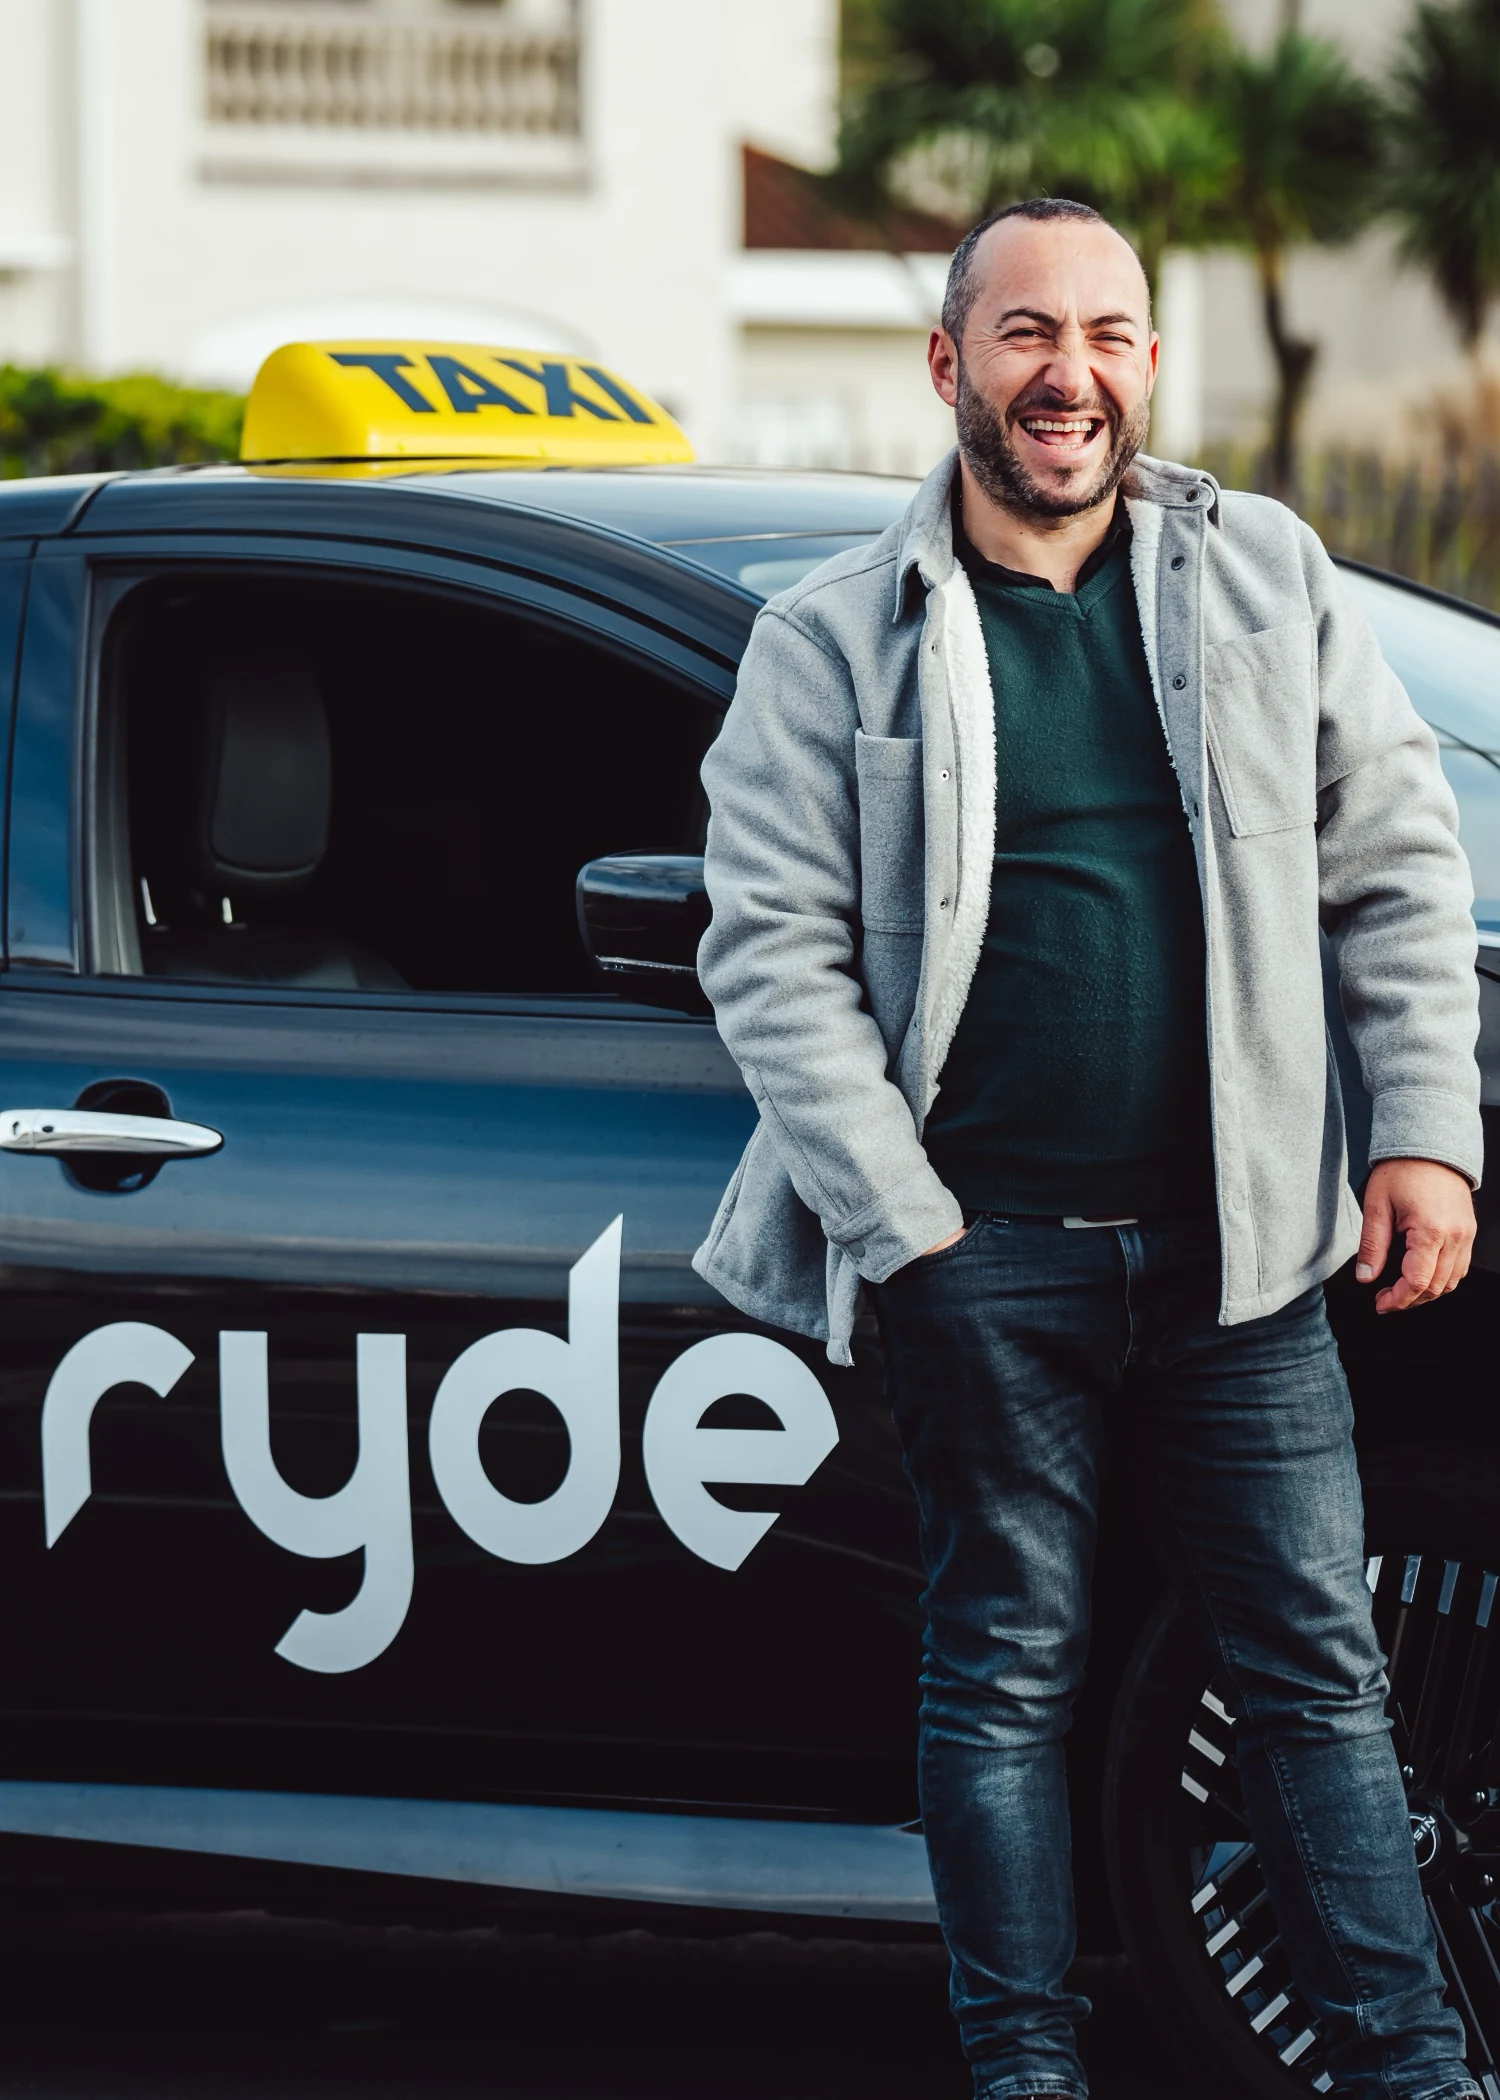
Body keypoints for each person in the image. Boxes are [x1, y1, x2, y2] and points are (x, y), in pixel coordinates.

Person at [692, 196, 1483, 2100]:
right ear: (950, 366)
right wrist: (911, 1231)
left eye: (1113, 333)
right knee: (1007, 1682)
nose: (1076, 374)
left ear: (1149, 363)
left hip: (1249, 1253)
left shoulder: (1265, 578)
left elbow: (1396, 867)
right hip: (991, 1255)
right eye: (1030, 334)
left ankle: (1410, 2069)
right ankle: (1024, 2074)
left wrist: (1427, 1139)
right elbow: (771, 952)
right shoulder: (831, 642)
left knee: (1317, 1678)